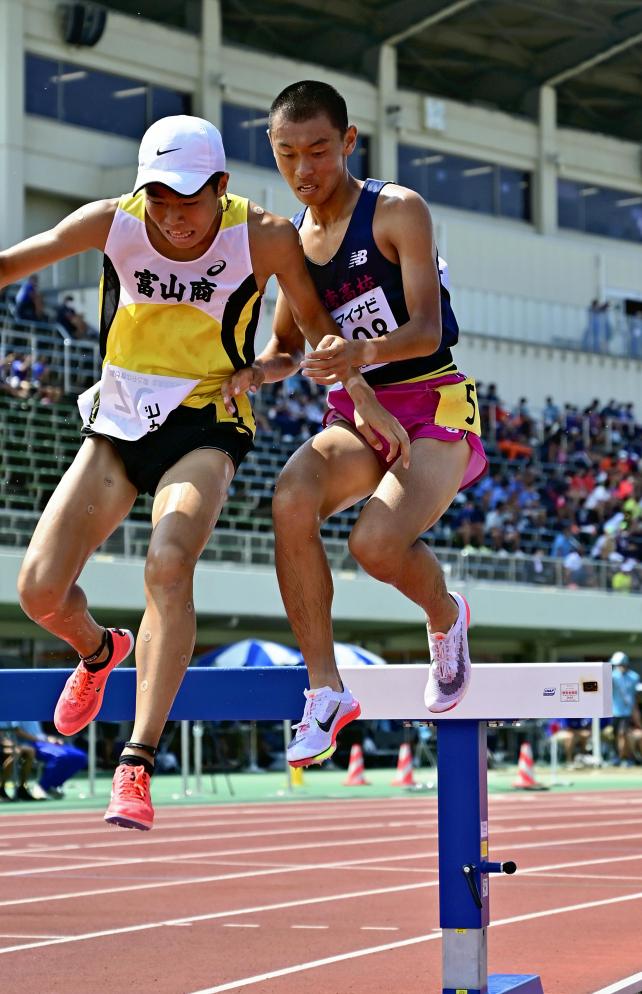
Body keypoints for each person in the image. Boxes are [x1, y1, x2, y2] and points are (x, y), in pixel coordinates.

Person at [1, 114, 403, 831]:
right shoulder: (112, 221)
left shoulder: (264, 235)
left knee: (168, 561)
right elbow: (10, 264)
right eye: (158, 199)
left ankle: (136, 762)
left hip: (207, 422)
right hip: (119, 420)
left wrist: (360, 398)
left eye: (188, 200)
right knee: (37, 591)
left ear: (221, 185)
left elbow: (317, 331)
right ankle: (99, 651)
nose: (173, 217)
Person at [243, 80, 488, 766]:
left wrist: (359, 353)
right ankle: (325, 690)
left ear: (348, 142)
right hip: (357, 414)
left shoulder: (397, 210)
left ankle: (446, 616)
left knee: (375, 546)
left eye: (319, 150)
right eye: (288, 154)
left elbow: (427, 328)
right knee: (290, 499)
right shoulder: (291, 242)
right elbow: (286, 348)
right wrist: (250, 374)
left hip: (431, 401)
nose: (304, 170)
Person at [14, 720, 88, 798]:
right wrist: (38, 739)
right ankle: (42, 787)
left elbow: (38, 733)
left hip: (44, 742)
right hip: (30, 744)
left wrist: (48, 738)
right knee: (60, 756)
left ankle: (53, 785)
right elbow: (17, 731)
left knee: (80, 757)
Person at [610, 651, 641, 766]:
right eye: (617, 665)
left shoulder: (634, 677)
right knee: (615, 736)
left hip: (628, 712)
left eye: (621, 664)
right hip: (614, 712)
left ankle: (625, 757)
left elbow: (635, 696)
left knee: (623, 734)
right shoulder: (612, 676)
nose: (619, 667)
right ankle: (617, 757)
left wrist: (636, 713)